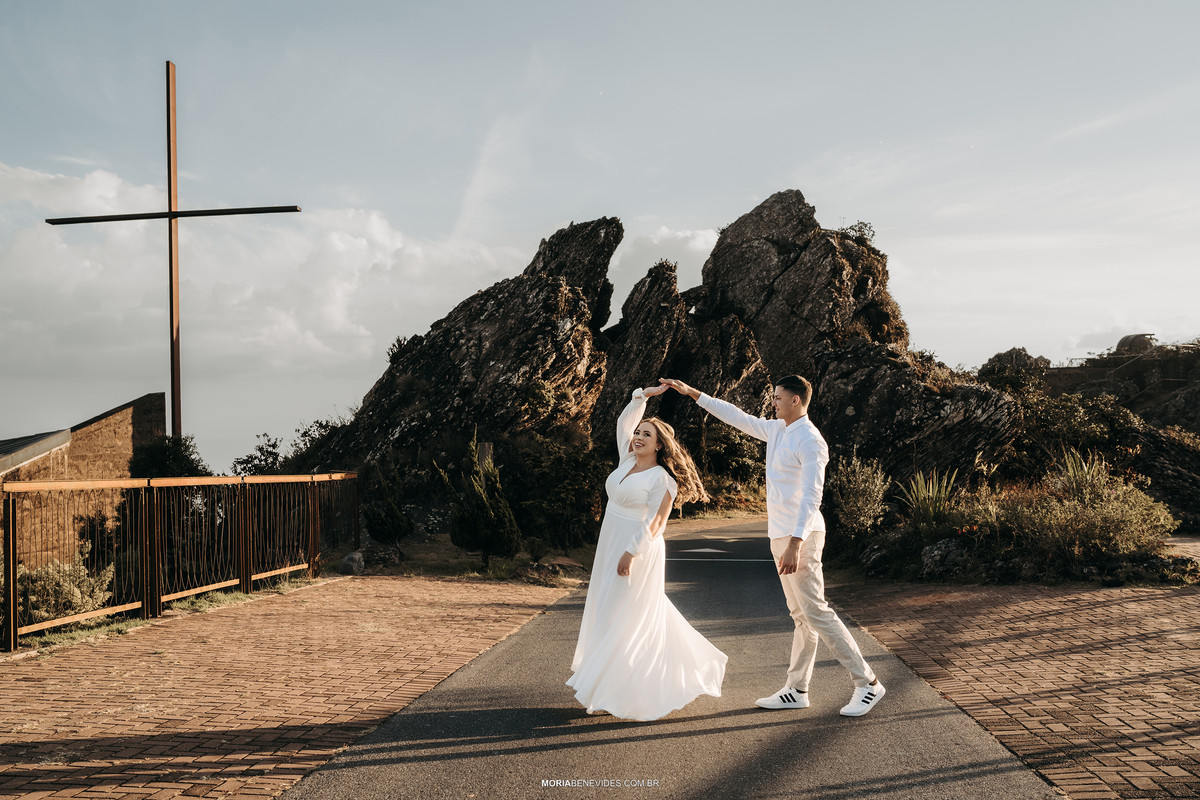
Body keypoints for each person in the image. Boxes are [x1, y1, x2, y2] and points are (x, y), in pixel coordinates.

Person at [660, 375, 885, 717]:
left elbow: (812, 496)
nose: (773, 402)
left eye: (778, 397)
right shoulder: (777, 430)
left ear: (795, 400)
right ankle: (796, 689)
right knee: (800, 616)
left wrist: (796, 542)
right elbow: (737, 417)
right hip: (779, 535)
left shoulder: (810, 440)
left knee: (816, 612)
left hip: (802, 536)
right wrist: (694, 394)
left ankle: (867, 684)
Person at [567, 384, 727, 721]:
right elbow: (623, 424)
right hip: (610, 542)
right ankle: (611, 684)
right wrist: (643, 395)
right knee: (609, 610)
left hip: (637, 549)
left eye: (646, 434)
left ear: (659, 445)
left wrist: (631, 553)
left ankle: (620, 688)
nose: (638, 437)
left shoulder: (662, 480)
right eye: (639, 432)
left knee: (625, 616)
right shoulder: (627, 461)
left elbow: (656, 524)